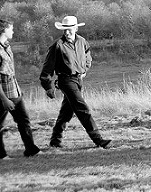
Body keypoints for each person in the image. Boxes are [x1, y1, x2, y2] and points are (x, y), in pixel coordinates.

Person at [40, 16, 111, 149]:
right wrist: (48, 87)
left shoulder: (82, 41)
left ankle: (55, 140)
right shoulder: (57, 46)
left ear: (76, 28)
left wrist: (85, 69)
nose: (67, 32)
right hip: (65, 80)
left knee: (66, 112)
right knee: (82, 108)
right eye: (64, 30)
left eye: (69, 29)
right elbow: (47, 68)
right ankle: (98, 140)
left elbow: (87, 56)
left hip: (78, 80)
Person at [0, 19, 41, 158]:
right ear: (3, 30)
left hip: (15, 93)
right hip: (4, 96)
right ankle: (1, 154)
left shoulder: (6, 46)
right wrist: (4, 99)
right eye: (11, 29)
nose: (13, 31)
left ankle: (31, 150)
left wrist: (18, 90)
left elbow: (10, 71)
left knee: (24, 121)